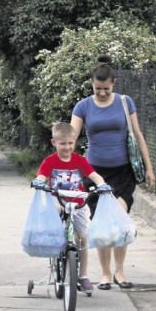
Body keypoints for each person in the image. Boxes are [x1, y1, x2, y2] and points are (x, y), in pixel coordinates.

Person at [70, 55, 155, 290]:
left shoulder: (125, 102)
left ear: (113, 84)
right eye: (98, 89)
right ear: (92, 84)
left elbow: (138, 135)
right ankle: (105, 274)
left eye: (106, 88)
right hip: (95, 172)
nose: (102, 93)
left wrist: (149, 168)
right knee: (101, 221)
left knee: (119, 218)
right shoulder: (83, 106)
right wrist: (64, 161)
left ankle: (120, 271)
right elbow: (73, 137)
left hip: (123, 170)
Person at [32, 122, 110, 294]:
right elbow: (42, 174)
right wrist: (39, 180)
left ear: (74, 141)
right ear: (54, 143)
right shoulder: (50, 161)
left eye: (70, 143)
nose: (67, 147)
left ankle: (83, 276)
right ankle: (57, 236)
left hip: (77, 200)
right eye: (62, 143)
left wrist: (102, 184)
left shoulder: (79, 160)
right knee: (57, 210)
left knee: (82, 237)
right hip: (58, 198)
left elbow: (93, 175)